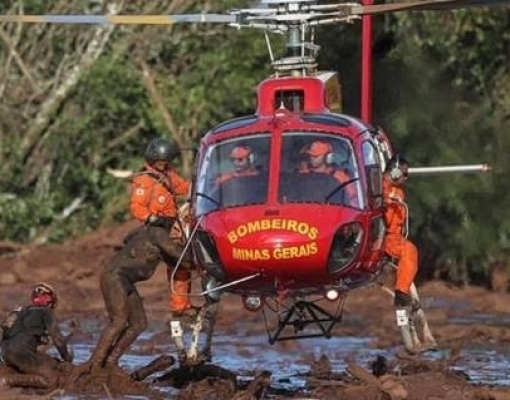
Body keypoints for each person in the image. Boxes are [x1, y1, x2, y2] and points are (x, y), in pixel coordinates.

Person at [87, 222, 193, 370]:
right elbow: (178, 253)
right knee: (119, 321)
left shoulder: (151, 235)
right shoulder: (157, 232)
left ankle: (111, 361)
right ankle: (94, 363)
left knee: (139, 323)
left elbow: (180, 260)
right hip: (115, 277)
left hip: (125, 280)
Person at [130, 137, 193, 318]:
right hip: (157, 226)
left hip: (172, 223)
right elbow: (136, 206)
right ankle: (179, 305)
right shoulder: (144, 180)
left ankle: (182, 305)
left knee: (182, 263)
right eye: (160, 163)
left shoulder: (169, 174)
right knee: (178, 260)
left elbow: (182, 187)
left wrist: (203, 185)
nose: (163, 166)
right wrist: (150, 217)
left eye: (165, 163)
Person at [0, 283, 73, 389]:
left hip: (5, 353)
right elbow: (58, 340)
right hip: (21, 352)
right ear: (50, 302)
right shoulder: (46, 311)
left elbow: (2, 332)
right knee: (51, 380)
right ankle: (8, 380)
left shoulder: (16, 312)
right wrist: (67, 357)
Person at [382, 154, 418, 309]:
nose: (406, 178)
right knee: (408, 250)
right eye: (405, 174)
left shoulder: (398, 193)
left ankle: (402, 293)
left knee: (410, 251)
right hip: (380, 237)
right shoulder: (375, 188)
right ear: (395, 172)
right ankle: (401, 293)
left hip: (394, 237)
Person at [299, 140, 357, 205]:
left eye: (316, 156)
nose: (311, 158)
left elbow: (353, 200)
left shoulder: (340, 177)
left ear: (327, 157)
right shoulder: (302, 173)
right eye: (310, 155)